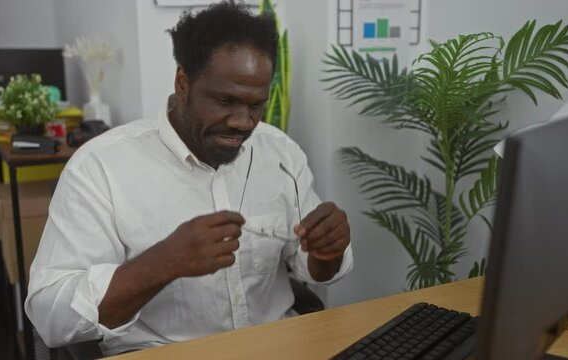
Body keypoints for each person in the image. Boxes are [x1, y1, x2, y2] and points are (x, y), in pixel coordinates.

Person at [25, 2, 353, 356]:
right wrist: (162, 263)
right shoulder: (101, 167)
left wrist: (328, 251)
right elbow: (48, 314)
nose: (243, 122)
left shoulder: (280, 153)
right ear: (183, 82)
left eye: (256, 105)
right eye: (224, 100)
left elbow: (315, 269)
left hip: (277, 346)